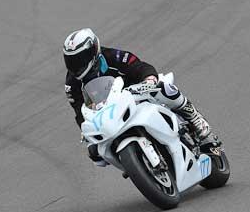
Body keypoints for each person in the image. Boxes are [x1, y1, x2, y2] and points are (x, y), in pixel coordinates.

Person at [63, 28, 215, 164]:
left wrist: (149, 79)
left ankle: (193, 117)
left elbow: (140, 67)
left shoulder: (112, 56)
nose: (76, 65)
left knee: (162, 87)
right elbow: (80, 112)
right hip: (109, 111)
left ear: (93, 51)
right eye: (71, 60)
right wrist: (89, 139)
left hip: (135, 92)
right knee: (97, 153)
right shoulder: (72, 84)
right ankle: (136, 163)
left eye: (79, 59)